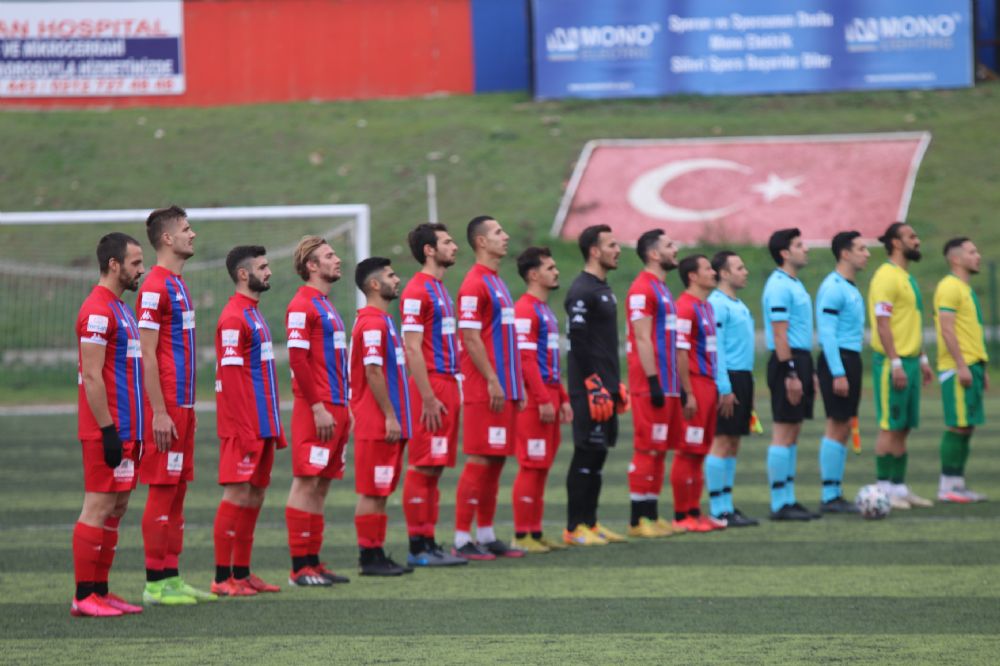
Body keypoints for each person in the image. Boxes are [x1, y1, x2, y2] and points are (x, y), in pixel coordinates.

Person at [136, 206, 217, 606]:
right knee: (162, 490)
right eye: (186, 229)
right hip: (165, 409)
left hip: (184, 407)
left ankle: (172, 575)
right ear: (167, 239)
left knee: (179, 490)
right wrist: (161, 412)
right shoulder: (154, 286)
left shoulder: (178, 284)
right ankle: (154, 583)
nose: (193, 235)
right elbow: (147, 355)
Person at [71, 232, 146, 617]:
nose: (141, 270)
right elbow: (93, 376)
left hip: (129, 430)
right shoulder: (97, 310)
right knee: (97, 507)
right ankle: (84, 596)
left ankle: (101, 590)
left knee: (116, 508)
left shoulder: (120, 309)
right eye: (135, 263)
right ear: (114, 265)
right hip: (108, 430)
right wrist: (107, 431)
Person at [211, 245, 285, 596]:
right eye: (262, 267)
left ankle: (242, 573)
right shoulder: (233, 317)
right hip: (244, 426)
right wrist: (245, 430)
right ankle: (221, 577)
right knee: (237, 495)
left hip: (262, 423)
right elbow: (231, 376)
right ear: (244, 274)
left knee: (254, 496)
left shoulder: (253, 314)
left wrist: (272, 426)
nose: (268, 272)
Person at [453, 215, 526, 559]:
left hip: (504, 388)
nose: (505, 236)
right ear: (481, 241)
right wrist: (494, 379)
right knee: (480, 459)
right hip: (485, 388)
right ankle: (460, 538)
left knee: (496, 462)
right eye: (498, 232)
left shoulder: (497, 281)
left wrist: (515, 385)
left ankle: (485, 533)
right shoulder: (473, 284)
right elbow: (469, 336)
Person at [283, 236, 353, 587]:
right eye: (328, 256)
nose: (337, 260)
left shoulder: (326, 305)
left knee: (322, 485)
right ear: (312, 266)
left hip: (337, 406)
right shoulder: (302, 305)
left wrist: (346, 405)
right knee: (306, 481)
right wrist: (317, 406)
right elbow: (297, 359)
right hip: (317, 409)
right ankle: (299, 568)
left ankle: (313, 561)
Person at [399, 224, 467, 567]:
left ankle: (429, 541)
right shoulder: (416, 291)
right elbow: (412, 349)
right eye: (447, 242)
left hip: (446, 385)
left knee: (436, 468)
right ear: (429, 250)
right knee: (423, 466)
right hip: (431, 387)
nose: (454, 247)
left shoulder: (440, 289)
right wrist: (426, 397)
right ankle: (417, 546)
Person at [564, 224, 628, 546]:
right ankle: (575, 527)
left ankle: (591, 522)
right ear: (594, 250)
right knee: (585, 455)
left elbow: (602, 344)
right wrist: (594, 384)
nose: (617, 250)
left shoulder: (603, 288)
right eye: (611, 244)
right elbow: (577, 341)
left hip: (604, 385)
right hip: (589, 389)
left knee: (598, 457)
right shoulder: (581, 290)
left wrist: (616, 383)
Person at [351, 257, 414, 575]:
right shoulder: (374, 322)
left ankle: (376, 552)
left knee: (382, 489)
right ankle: (369, 556)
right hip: (378, 423)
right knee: (372, 490)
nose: (397, 279)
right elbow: (372, 371)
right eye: (391, 275)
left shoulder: (383, 321)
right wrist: (390, 415)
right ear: (374, 285)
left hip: (389, 422)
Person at [511, 247, 572, 553]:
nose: (556, 271)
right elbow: (525, 359)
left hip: (548, 393)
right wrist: (542, 398)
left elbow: (550, 362)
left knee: (543, 465)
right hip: (534, 400)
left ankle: (535, 531)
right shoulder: (524, 309)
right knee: (531, 464)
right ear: (533, 275)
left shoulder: (545, 310)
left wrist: (561, 397)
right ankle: (522, 534)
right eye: (550, 267)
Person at [869, 223, 934, 509]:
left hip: (909, 360)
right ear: (896, 243)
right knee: (890, 426)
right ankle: (883, 491)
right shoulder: (885, 276)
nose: (917, 241)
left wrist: (921, 359)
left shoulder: (906, 277)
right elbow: (883, 325)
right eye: (911, 237)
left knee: (904, 426)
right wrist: (895, 362)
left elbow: (909, 323)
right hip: (890, 362)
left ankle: (899, 487)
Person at [624, 229, 685, 538]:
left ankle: (652, 512)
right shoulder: (641, 289)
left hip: (669, 383)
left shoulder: (662, 289)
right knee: (647, 449)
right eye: (669, 245)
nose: (676, 249)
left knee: (660, 450)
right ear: (653, 254)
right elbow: (642, 338)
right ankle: (638, 519)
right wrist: (652, 381)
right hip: (651, 384)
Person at [762, 228, 819, 521]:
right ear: (784, 253)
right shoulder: (779, 286)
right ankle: (778, 502)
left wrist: (809, 372)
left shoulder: (793, 283)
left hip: (800, 360)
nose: (805, 249)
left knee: (793, 432)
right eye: (799, 244)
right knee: (783, 432)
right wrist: (792, 373)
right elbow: (779, 334)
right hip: (788, 362)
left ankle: (789, 498)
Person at [814, 231, 869, 514]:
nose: (867, 253)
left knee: (844, 424)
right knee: (837, 424)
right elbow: (827, 332)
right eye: (861, 248)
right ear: (845, 253)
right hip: (840, 361)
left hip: (850, 359)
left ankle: (834, 491)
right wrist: (837, 371)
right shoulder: (833, 287)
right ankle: (829, 495)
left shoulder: (850, 287)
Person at [672, 255, 725, 532]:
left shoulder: (706, 307)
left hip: (708, 385)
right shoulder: (684, 308)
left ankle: (695, 511)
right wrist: (687, 392)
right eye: (707, 269)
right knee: (687, 451)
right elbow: (680, 352)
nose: (713, 272)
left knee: (700, 451)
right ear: (693, 276)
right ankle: (682, 516)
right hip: (694, 384)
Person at [706, 251, 759, 527]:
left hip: (743, 378)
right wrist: (724, 387)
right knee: (722, 441)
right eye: (739, 267)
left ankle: (727, 505)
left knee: (733, 442)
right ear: (724, 273)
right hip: (728, 381)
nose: (745, 271)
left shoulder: (737, 303)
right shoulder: (717, 304)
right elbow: (717, 352)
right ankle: (717, 508)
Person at [934, 237, 989, 503]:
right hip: (958, 368)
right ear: (956, 259)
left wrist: (981, 365)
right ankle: (947, 487)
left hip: (971, 365)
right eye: (972, 251)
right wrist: (961, 364)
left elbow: (969, 332)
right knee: (956, 426)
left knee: (966, 427)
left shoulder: (964, 288)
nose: (977, 255)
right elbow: (946, 328)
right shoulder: (949, 287)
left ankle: (958, 484)